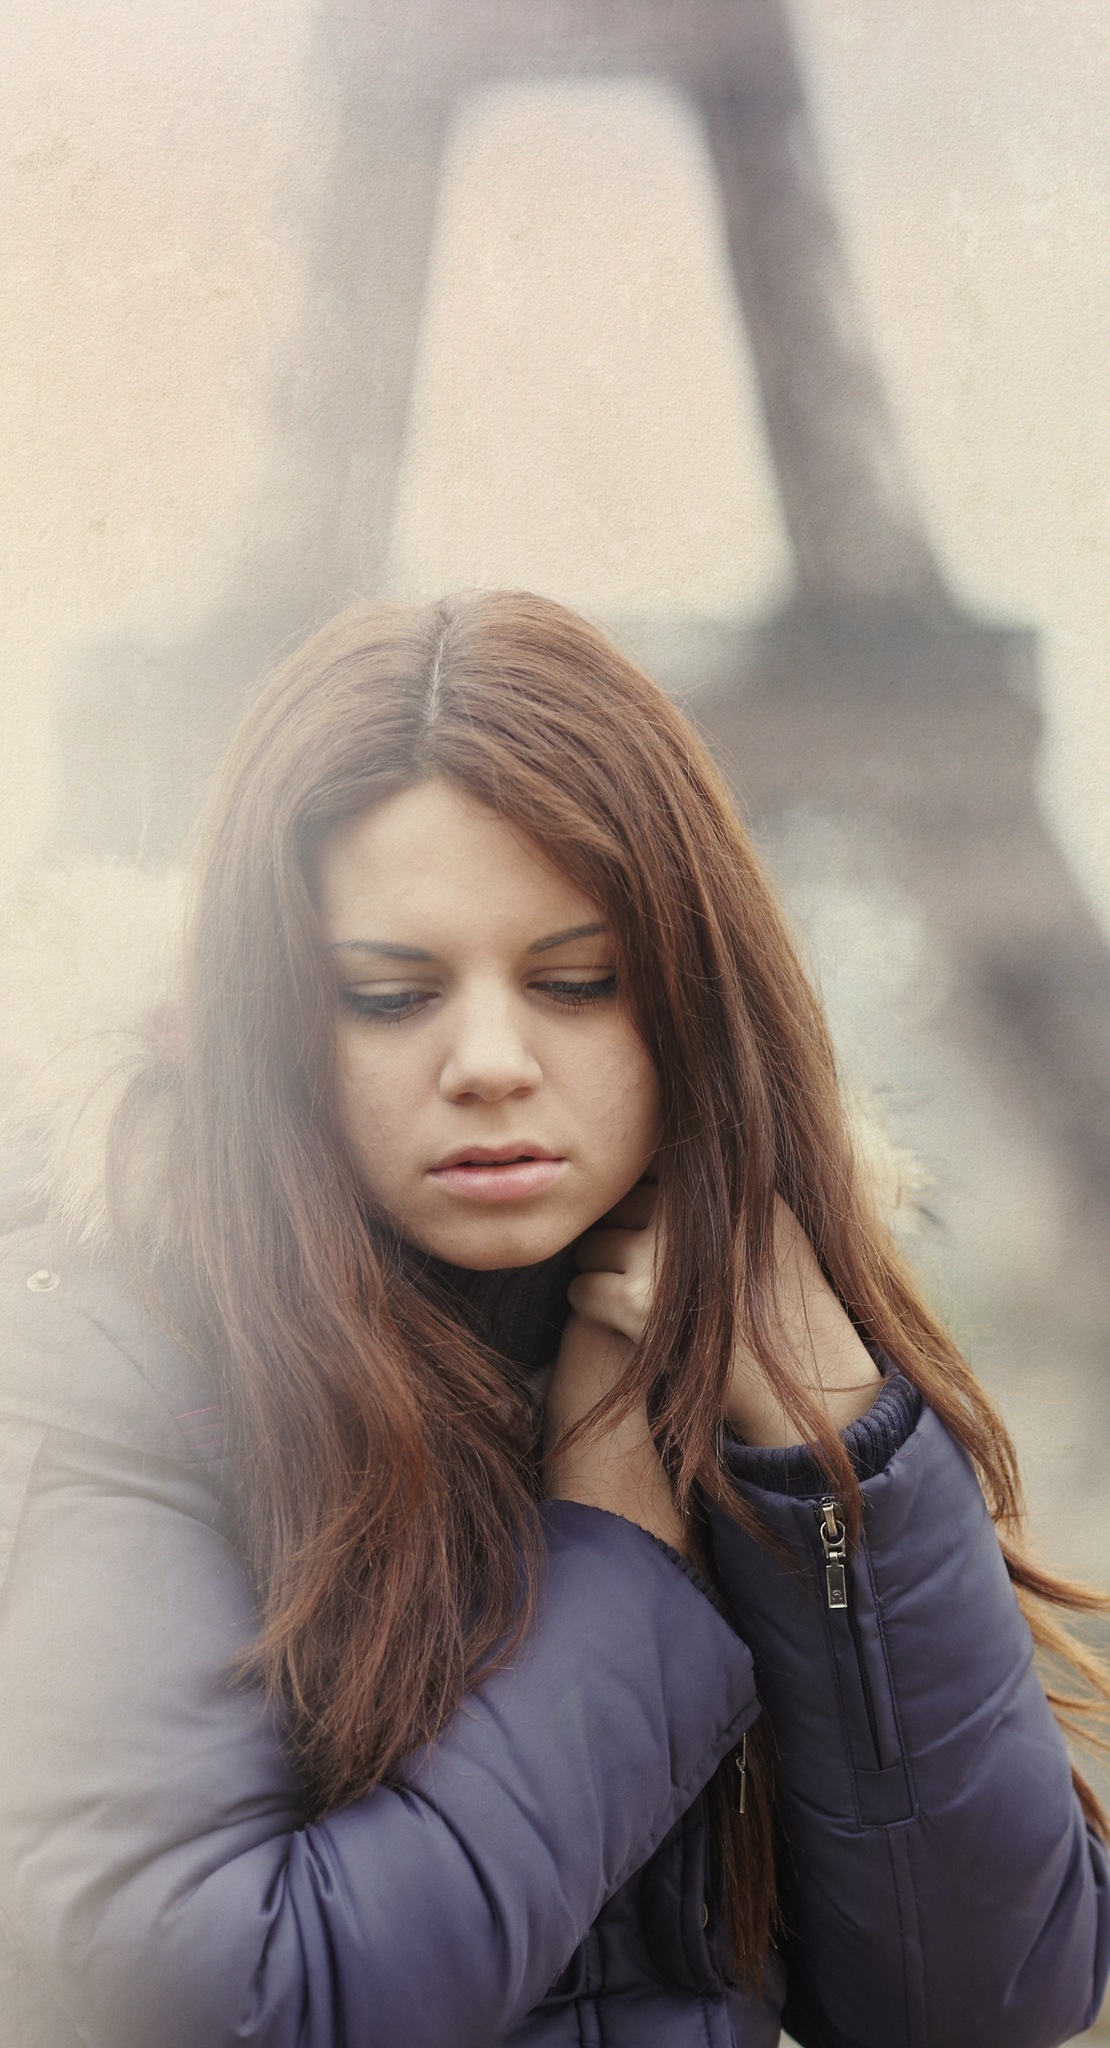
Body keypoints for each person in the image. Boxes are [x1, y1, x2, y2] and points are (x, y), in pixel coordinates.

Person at [0, 590, 1107, 2048]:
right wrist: (617, 1547)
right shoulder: (107, 1361)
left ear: (692, 997)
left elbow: (982, 2000)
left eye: (574, 982)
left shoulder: (766, 1342)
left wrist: (834, 1449)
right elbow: (240, 2006)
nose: (490, 1062)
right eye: (390, 996)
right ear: (276, 1022)